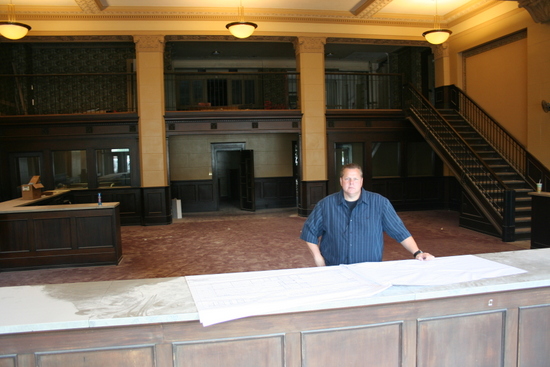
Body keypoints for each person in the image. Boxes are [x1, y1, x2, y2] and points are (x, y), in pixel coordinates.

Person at [300, 163, 434, 266]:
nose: (351, 183)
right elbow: (309, 232)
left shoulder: (380, 203)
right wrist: (319, 259)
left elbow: (400, 232)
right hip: (335, 269)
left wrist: (417, 252)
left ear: (361, 181)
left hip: (370, 270)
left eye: (355, 179)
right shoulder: (326, 205)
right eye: (347, 179)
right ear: (341, 181)